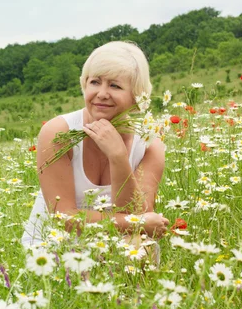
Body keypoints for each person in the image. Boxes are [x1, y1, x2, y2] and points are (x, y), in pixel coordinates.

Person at [21, 41, 169, 247]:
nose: (102, 93)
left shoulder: (149, 144)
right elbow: (64, 217)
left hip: (114, 243)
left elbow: (139, 216)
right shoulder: (59, 133)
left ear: (137, 95)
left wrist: (118, 158)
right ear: (84, 85)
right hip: (55, 244)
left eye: (115, 85)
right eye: (95, 82)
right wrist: (138, 223)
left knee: (141, 246)